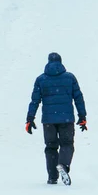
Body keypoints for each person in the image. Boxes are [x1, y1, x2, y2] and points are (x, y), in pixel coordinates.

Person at [25, 53, 87, 186]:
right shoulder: (70, 78)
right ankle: (63, 165)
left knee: (51, 147)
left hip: (48, 120)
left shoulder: (41, 79)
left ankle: (52, 177)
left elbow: (35, 101)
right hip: (66, 119)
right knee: (67, 144)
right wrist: (82, 116)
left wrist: (30, 118)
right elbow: (78, 98)